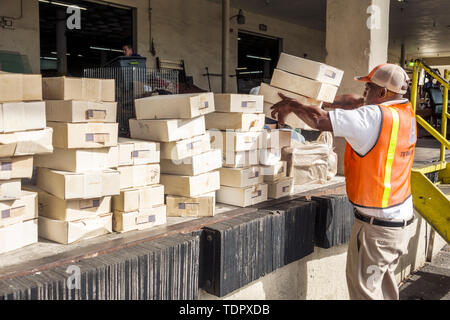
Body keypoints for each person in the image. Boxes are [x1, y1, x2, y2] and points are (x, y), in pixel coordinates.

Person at [271, 64, 416, 300]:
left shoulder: (373, 116)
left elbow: (319, 121)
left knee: (365, 293)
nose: (364, 93)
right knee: (385, 290)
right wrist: (322, 100)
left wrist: (293, 105)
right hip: (399, 222)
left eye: (368, 88)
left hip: (377, 229)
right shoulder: (404, 112)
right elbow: (353, 102)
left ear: (381, 93)